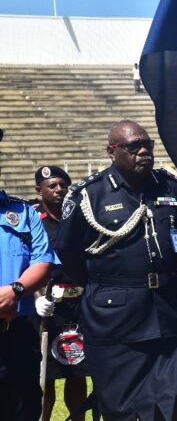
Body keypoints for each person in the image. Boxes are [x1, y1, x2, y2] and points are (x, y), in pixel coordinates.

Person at [54, 120, 177, 420]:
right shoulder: (89, 196)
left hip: (168, 315)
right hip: (116, 318)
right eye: (133, 147)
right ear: (112, 152)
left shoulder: (170, 186)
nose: (144, 151)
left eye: (148, 145)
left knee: (173, 405)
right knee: (121, 409)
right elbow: (68, 253)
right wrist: (106, 283)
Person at [0, 128, 55, 420]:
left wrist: (16, 290)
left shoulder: (23, 212)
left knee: (24, 409)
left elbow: (43, 261)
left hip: (17, 335)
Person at [31, 165, 90, 421]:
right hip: (47, 306)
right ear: (39, 191)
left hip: (78, 305)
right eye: (52, 186)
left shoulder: (78, 218)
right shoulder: (33, 220)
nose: (59, 190)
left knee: (77, 373)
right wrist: (36, 297)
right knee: (45, 377)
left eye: (63, 185)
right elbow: (26, 262)